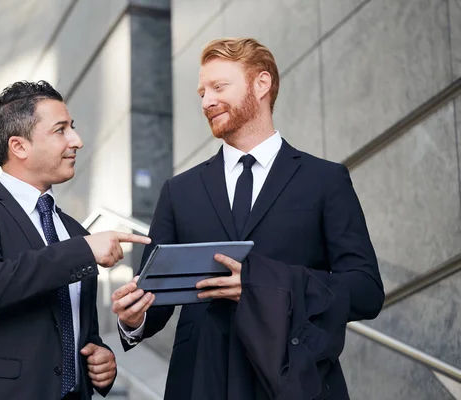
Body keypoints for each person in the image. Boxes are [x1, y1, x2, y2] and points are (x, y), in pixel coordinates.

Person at [111, 38, 384, 399]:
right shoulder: (179, 191)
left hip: (294, 381)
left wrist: (264, 287)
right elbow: (154, 298)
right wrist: (133, 318)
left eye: (219, 87)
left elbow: (365, 291)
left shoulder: (325, 180)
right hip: (200, 383)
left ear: (262, 84)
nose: (207, 101)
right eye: (202, 92)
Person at [0, 81, 151, 400]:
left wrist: (101, 360)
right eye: (61, 130)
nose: (77, 140)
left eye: (72, 128)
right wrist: (83, 251)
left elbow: (76, 329)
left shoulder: (76, 232)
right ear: (19, 146)